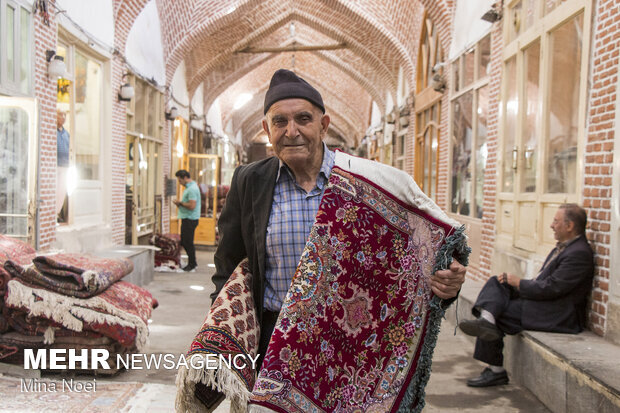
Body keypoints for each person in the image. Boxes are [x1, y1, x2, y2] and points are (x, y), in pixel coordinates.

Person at [210, 68, 467, 368]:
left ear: (324, 125)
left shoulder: (364, 182)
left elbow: (414, 256)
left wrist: (447, 282)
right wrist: (222, 332)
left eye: (303, 119)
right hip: (273, 340)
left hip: (351, 343)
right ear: (267, 130)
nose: (291, 131)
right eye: (280, 121)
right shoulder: (250, 181)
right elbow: (228, 265)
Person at [459, 203, 594, 387]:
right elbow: (545, 284)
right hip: (543, 303)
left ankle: (496, 369)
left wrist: (519, 283)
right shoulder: (564, 248)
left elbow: (553, 288)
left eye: (555, 221)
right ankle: (487, 320)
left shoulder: (579, 254)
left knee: (498, 312)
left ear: (569, 226)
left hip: (557, 314)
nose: (551, 225)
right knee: (496, 282)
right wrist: (515, 283)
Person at [174, 169, 201, 272]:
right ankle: (192, 263)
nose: (179, 182)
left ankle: (192, 264)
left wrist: (180, 203)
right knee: (186, 241)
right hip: (187, 218)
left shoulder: (192, 189)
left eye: (180, 180)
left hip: (190, 218)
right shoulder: (190, 188)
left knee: (187, 242)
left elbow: (192, 205)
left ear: (184, 177)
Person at [56, 110, 70, 222]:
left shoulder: (67, 134)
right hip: (55, 166)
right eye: (60, 114)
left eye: (64, 115)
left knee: (62, 191)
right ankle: (53, 214)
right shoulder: (52, 132)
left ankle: (56, 213)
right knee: (54, 190)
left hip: (65, 166)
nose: (63, 117)